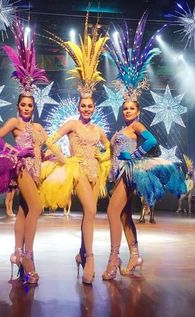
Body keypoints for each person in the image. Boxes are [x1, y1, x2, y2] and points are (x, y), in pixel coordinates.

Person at [0, 20, 53, 284]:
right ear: (18, 106)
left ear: (33, 106)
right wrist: (13, 151)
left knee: (25, 212)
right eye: (23, 104)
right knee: (37, 208)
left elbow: (41, 150)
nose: (27, 108)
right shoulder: (15, 123)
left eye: (30, 105)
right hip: (22, 170)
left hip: (38, 172)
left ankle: (17, 253)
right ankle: (28, 256)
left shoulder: (38, 126)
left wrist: (46, 156)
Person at [102, 12, 186, 280]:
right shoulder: (121, 129)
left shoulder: (136, 126)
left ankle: (113, 259)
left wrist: (134, 155)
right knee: (124, 216)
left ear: (137, 110)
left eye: (131, 108)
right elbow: (112, 151)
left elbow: (152, 141)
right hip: (118, 175)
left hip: (130, 173)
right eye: (125, 108)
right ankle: (135, 255)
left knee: (112, 212)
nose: (127, 111)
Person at [41, 14, 109, 285]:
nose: (86, 109)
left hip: (95, 172)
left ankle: (81, 253)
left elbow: (108, 148)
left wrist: (104, 157)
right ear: (78, 106)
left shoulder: (98, 130)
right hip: (77, 169)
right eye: (83, 106)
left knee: (88, 215)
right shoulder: (71, 124)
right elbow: (49, 140)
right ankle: (91, 257)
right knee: (91, 212)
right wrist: (64, 159)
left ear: (94, 107)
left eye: (90, 106)